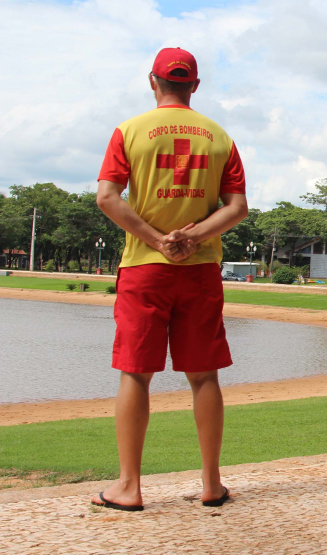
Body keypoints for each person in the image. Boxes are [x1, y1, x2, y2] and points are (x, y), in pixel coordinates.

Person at [91, 47, 248, 511]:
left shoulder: (130, 130)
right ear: (194, 85)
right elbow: (237, 207)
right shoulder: (219, 135)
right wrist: (192, 237)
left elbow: (107, 197)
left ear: (153, 81)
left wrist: (158, 240)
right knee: (204, 377)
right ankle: (211, 484)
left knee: (136, 376)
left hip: (145, 268)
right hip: (199, 270)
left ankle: (129, 487)